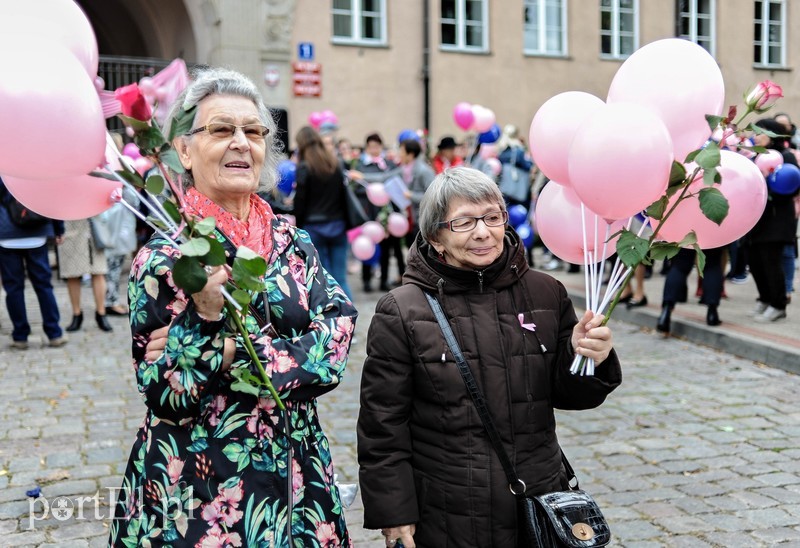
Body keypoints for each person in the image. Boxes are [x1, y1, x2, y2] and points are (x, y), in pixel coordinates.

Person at [109, 67, 357, 547]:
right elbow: (167, 395)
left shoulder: (293, 241)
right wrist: (205, 317)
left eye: (253, 131)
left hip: (298, 475)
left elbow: (338, 338)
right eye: (222, 129)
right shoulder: (165, 259)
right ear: (183, 150)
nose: (241, 143)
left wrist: (228, 349)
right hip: (203, 483)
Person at [357, 167, 621, 547]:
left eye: (492, 217)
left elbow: (573, 395)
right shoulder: (402, 310)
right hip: (449, 513)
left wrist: (588, 357)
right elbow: (383, 424)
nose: (483, 232)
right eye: (464, 222)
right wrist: (395, 513)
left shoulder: (546, 293)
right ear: (435, 237)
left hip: (539, 503)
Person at [0, 178, 67, 349]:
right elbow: (50, 200)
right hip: (36, 232)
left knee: (13, 288)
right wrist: (59, 229)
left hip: (6, 234)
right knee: (44, 286)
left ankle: (20, 336)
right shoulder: (36, 170)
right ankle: (54, 333)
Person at [744, 118, 799, 322]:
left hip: (776, 221)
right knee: (755, 262)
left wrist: (770, 187)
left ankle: (778, 305)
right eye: (755, 132)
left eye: (761, 132)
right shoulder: (755, 156)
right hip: (755, 221)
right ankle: (764, 299)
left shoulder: (786, 156)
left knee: (771, 263)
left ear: (773, 134)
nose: (756, 136)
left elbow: (793, 187)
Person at [294, 125, 353, 299]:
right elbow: (343, 196)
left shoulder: (304, 167)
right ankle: (349, 313)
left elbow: (300, 201)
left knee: (323, 279)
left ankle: (332, 315)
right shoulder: (335, 163)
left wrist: (299, 227)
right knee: (341, 278)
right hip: (337, 225)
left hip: (314, 228)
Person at [57, 218, 113, 332]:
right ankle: (76, 313)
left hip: (93, 226)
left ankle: (101, 313)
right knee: (72, 273)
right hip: (69, 226)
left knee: (98, 271)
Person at [656, 247, 725, 334]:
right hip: (712, 238)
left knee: (680, 265)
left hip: (686, 238)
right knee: (712, 264)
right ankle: (712, 313)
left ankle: (666, 312)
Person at [398, 138, 435, 244]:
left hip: (422, 220)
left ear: (410, 155)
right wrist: (362, 176)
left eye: (402, 151)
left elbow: (433, 196)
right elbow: (384, 177)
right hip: (410, 218)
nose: (399, 154)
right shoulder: (404, 170)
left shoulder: (424, 171)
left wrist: (411, 195)